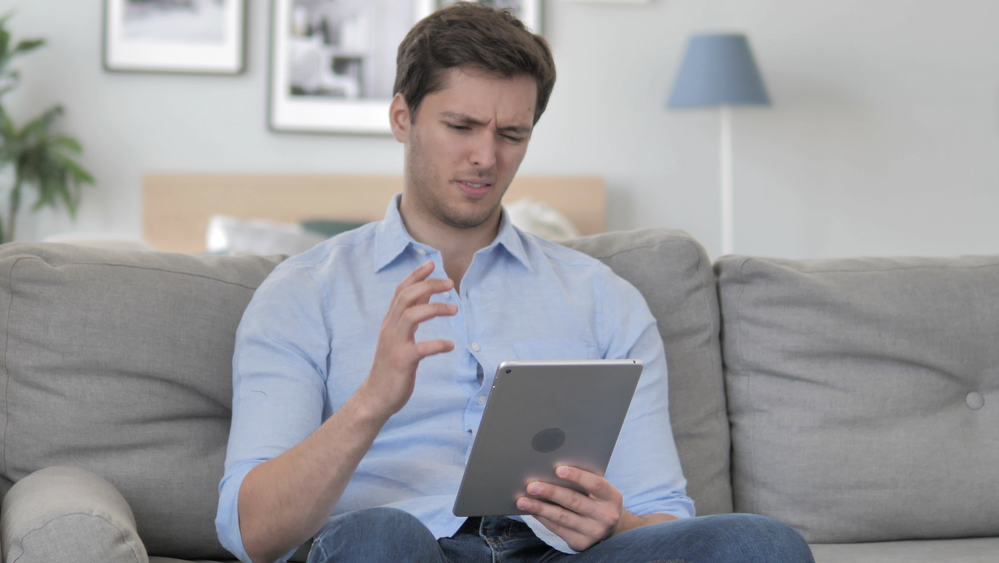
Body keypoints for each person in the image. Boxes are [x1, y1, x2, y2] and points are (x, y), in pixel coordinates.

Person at [216, 3, 814, 563]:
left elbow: (665, 517)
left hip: (564, 552)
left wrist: (616, 525)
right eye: (461, 126)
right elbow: (253, 535)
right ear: (403, 118)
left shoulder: (602, 299)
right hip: (403, 548)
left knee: (761, 543)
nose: (485, 156)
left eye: (512, 135)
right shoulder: (303, 292)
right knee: (377, 533)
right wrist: (373, 400)